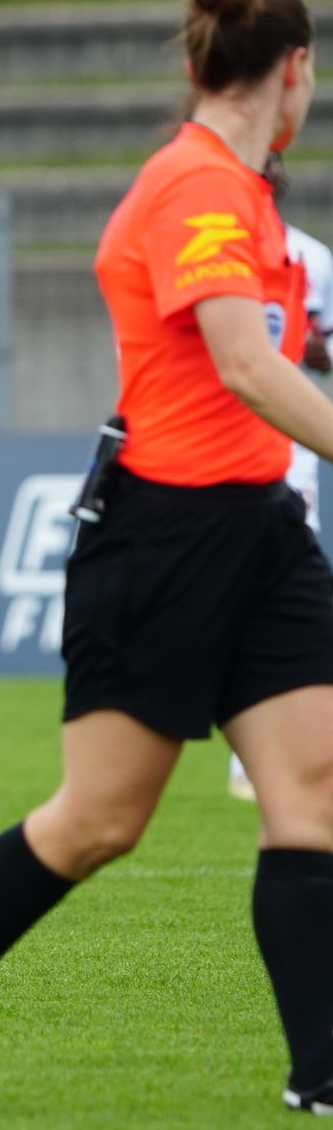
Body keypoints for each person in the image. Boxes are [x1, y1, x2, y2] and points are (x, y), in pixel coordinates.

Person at [0, 0, 333, 1115]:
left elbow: (274, 355)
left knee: (314, 795)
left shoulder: (249, 192)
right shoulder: (196, 186)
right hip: (163, 538)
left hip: (262, 531)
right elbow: (243, 365)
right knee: (99, 823)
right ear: (295, 70)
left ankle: (322, 1077)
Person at [232, 220, 333, 801]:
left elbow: (321, 348)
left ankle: (270, 756)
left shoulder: (310, 256)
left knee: (290, 584)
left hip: (291, 448)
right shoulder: (208, 234)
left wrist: (316, 348)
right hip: (215, 451)